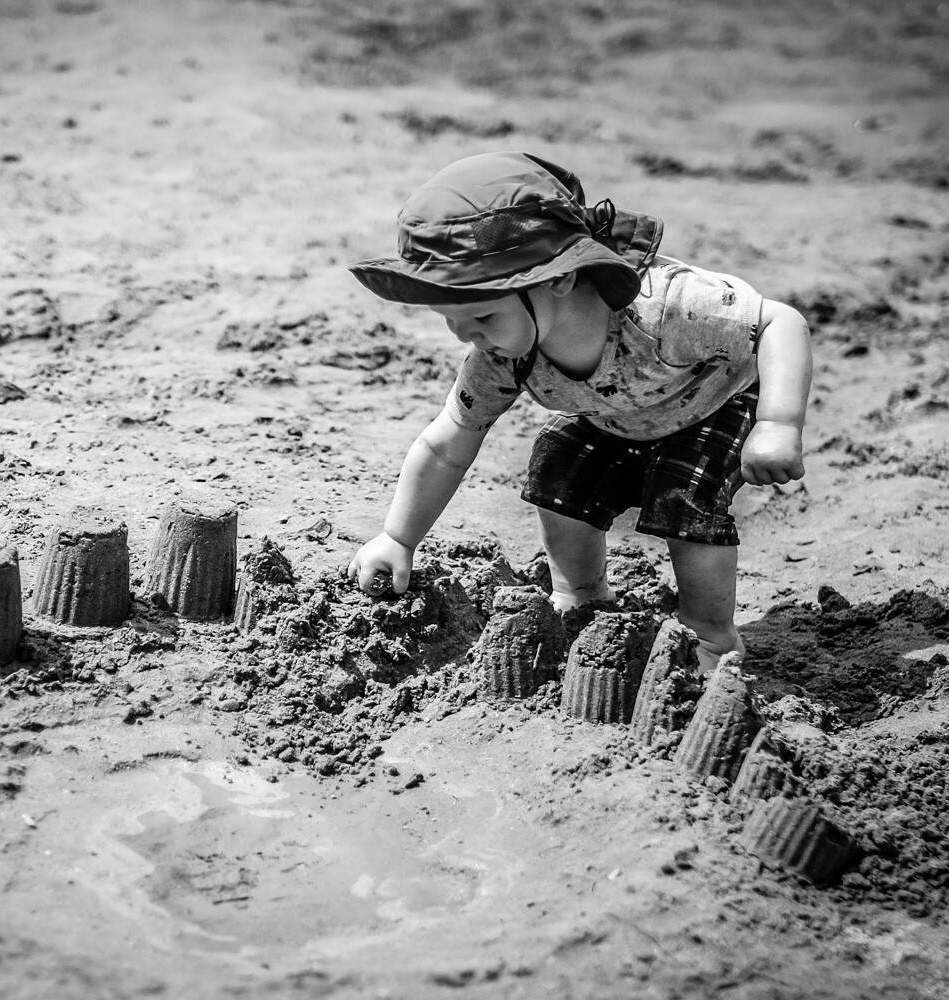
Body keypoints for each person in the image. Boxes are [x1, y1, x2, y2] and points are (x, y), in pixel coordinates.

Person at [344, 151, 811, 673]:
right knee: (557, 464)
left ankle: (710, 635)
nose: (465, 335)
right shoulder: (504, 357)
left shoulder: (668, 309)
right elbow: (446, 441)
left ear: (558, 279)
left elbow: (779, 323)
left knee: (684, 499)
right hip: (615, 416)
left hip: (713, 403)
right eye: (448, 318)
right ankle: (580, 596)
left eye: (481, 314)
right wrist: (398, 538)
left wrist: (778, 423)